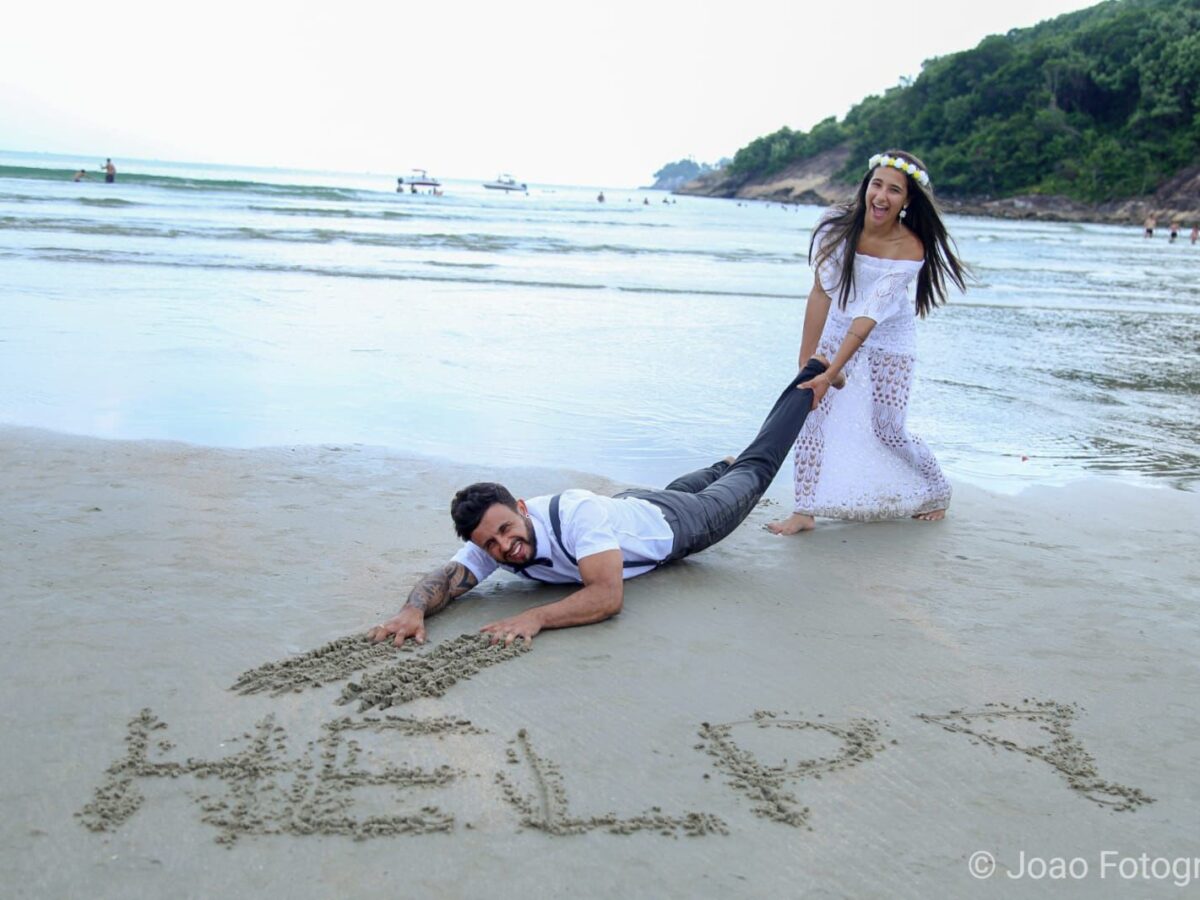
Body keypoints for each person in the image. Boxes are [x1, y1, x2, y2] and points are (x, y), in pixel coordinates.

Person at [367, 357, 844, 648]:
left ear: (522, 508)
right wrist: (413, 610)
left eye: (506, 531)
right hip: (633, 505)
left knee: (755, 468)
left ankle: (812, 377)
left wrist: (535, 617)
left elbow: (607, 597)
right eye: (490, 545)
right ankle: (720, 465)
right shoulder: (494, 538)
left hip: (682, 526)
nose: (504, 548)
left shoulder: (575, 514)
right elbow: (448, 578)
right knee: (678, 488)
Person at [767, 149, 966, 536]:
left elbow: (868, 319)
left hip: (889, 337)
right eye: (877, 184)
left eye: (894, 190)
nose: (881, 196)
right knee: (811, 410)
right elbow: (821, 292)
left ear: (907, 201)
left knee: (888, 429)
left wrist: (832, 374)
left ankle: (937, 489)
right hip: (839, 324)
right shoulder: (834, 225)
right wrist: (808, 365)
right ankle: (804, 510)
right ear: (865, 187)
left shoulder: (910, 248)